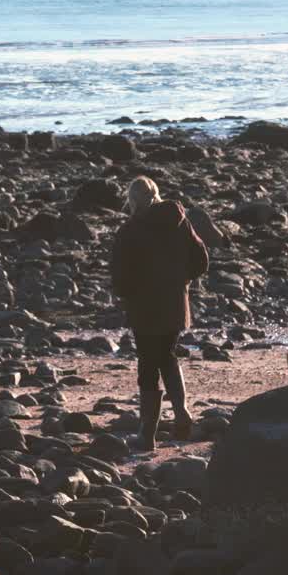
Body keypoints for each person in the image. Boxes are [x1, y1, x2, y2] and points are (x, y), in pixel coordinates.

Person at [110, 176, 209, 451]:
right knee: (167, 355)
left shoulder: (130, 230)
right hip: (175, 303)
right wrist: (181, 281)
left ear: (132, 200)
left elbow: (120, 276)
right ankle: (181, 414)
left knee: (148, 365)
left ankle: (147, 434)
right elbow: (201, 260)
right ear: (156, 195)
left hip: (145, 308)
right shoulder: (179, 221)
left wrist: (129, 294)